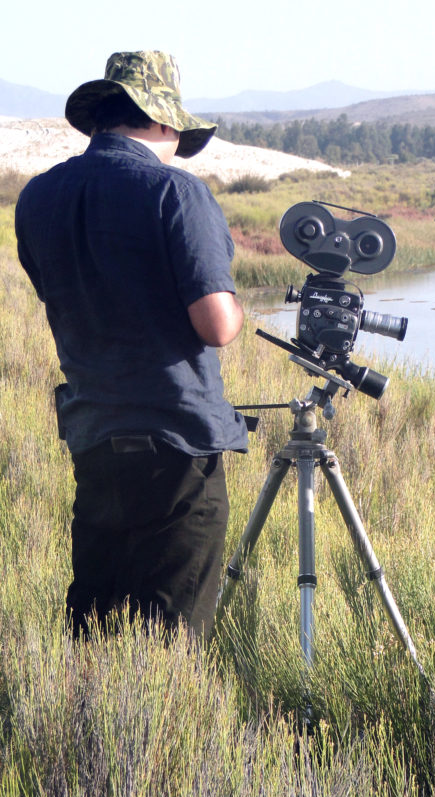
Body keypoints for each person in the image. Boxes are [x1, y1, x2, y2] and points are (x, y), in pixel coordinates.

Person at [15, 50, 248, 641]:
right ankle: (158, 728)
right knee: (172, 642)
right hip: (175, 444)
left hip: (93, 437)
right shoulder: (175, 192)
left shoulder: (38, 197)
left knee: (94, 625)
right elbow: (217, 325)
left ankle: (79, 728)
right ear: (164, 121)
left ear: (101, 118)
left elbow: (57, 296)